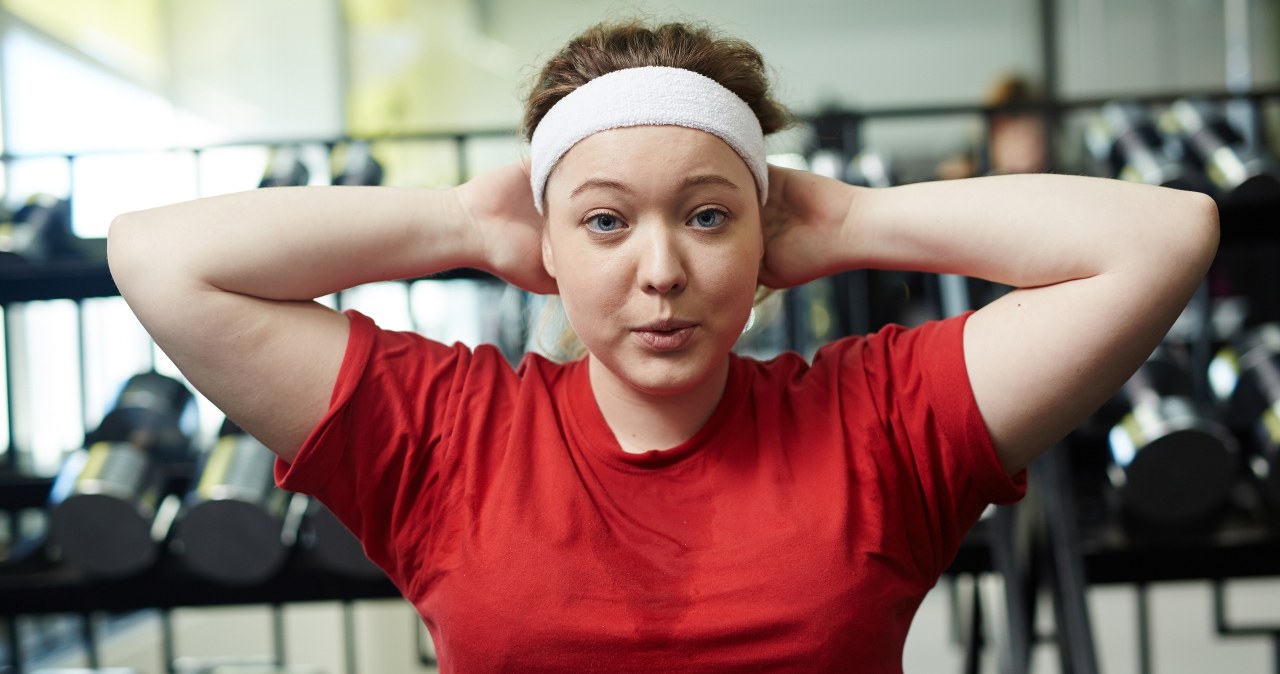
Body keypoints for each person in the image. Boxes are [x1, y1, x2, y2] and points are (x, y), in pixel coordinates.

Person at [107, 19, 1218, 673]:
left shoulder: (879, 421)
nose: (661, 269)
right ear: (546, 242)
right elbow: (158, 257)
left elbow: (1164, 236)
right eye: (604, 220)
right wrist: (458, 222)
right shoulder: (450, 435)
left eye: (706, 215)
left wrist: (853, 219)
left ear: (762, 234)